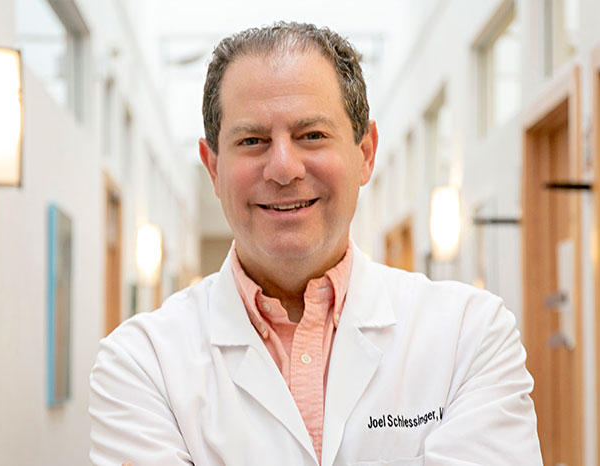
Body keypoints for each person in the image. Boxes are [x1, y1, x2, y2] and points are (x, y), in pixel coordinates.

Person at [90, 22, 542, 466]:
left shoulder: (471, 336)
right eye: (253, 140)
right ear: (212, 168)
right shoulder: (140, 364)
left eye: (312, 135)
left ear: (365, 154)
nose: (283, 168)